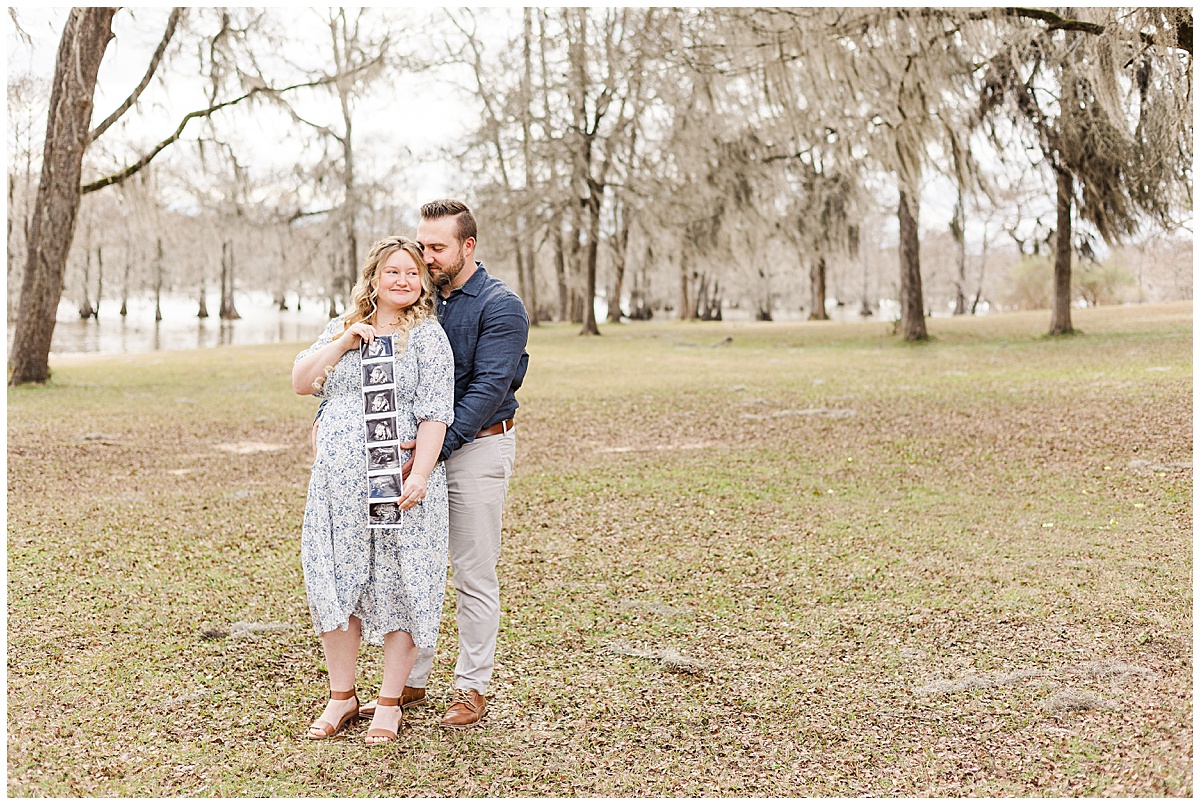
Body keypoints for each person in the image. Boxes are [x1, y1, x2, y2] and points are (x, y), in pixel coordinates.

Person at [358, 199, 529, 729]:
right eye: (422, 244)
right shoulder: (421, 299)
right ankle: (411, 680)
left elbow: (488, 389)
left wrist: (433, 455)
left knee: (473, 572)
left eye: (437, 247)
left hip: (476, 447)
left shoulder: (501, 306)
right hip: (419, 453)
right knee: (415, 564)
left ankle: (471, 688)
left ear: (467, 246)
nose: (425, 257)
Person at [292, 235, 455, 746]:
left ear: (422, 282)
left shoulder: (428, 336)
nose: (403, 280)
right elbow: (301, 381)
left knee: (400, 581)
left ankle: (389, 701)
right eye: (393, 272)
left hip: (395, 481)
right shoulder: (342, 328)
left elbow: (434, 414)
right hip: (336, 485)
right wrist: (344, 341)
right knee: (333, 578)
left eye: (412, 272)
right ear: (374, 278)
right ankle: (342, 697)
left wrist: (421, 475)